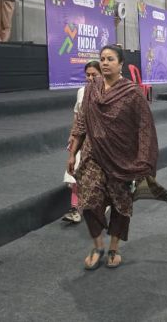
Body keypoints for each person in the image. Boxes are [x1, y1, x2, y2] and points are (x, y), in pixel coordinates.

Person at [68, 45, 159, 270]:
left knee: (120, 203)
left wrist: (143, 161)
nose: (105, 63)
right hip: (92, 154)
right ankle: (98, 245)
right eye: (102, 59)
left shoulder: (132, 93)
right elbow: (81, 122)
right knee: (89, 199)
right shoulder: (91, 89)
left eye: (110, 59)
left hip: (122, 158)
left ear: (121, 64)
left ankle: (114, 248)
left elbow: (145, 127)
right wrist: (72, 154)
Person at [64, 61, 102, 224]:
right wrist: (73, 135)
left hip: (101, 142)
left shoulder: (109, 92)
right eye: (88, 75)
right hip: (82, 138)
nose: (90, 78)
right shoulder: (81, 92)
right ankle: (75, 209)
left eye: (94, 74)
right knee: (74, 172)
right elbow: (77, 115)